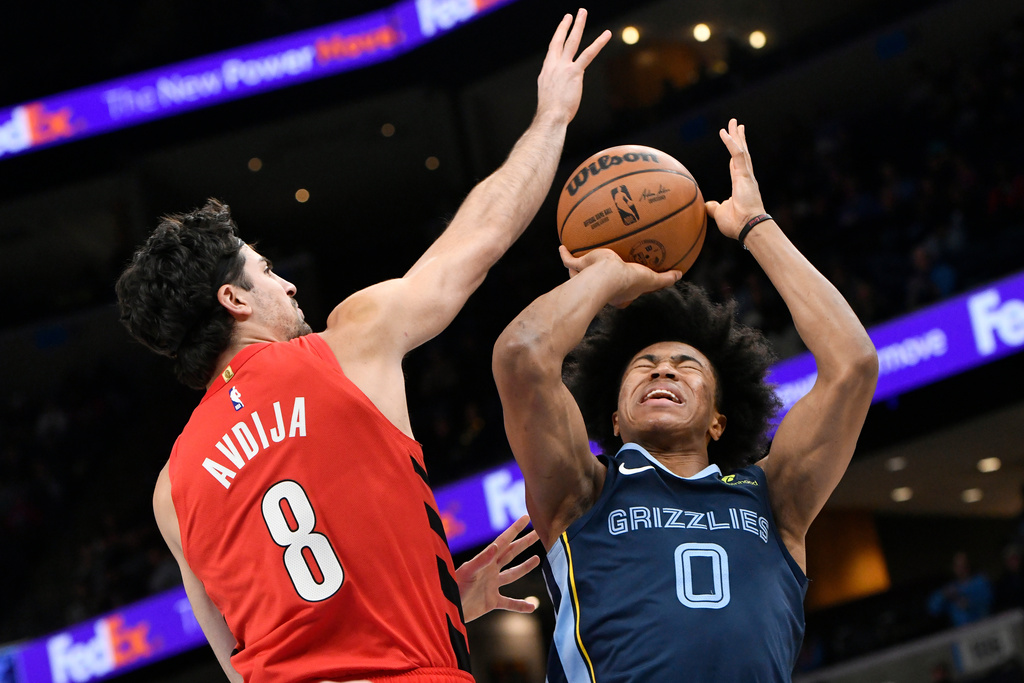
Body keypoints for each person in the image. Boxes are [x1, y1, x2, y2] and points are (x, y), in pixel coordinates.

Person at [114, 11, 611, 683]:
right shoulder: (346, 344)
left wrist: (430, 602)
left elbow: (242, 663)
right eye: (264, 272)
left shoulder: (170, 490)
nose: (289, 286)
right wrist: (551, 117)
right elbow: (482, 237)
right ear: (233, 301)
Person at [492, 119, 879, 682]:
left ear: (719, 420)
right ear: (617, 421)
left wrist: (755, 227)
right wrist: (604, 277)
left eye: (686, 365)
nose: (663, 368)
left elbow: (853, 366)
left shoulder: (774, 499)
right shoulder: (582, 494)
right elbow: (521, 357)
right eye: (643, 366)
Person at [928, 550, 994, 627]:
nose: (962, 569)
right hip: (961, 633)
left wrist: (970, 604)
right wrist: (943, 595)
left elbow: (988, 601)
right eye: (958, 566)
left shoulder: (980, 581)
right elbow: (933, 609)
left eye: (964, 564)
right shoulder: (951, 588)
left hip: (982, 627)